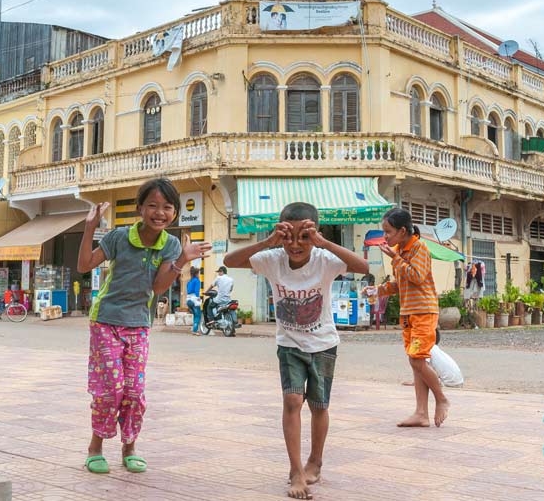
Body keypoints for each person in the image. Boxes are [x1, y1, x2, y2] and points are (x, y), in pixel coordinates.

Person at [223, 202, 368, 500]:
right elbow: (230, 259)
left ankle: (315, 460)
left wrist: (323, 242)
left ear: (315, 234)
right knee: (292, 400)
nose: (296, 244)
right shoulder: (272, 258)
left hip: (324, 344)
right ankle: (295, 470)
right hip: (289, 345)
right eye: (289, 236)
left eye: (304, 236)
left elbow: (362, 268)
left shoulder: (325, 259)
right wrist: (267, 241)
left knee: (319, 406)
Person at [77, 178, 211, 475]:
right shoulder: (118, 237)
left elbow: (159, 287)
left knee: (134, 391)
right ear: (140, 208)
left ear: (175, 212)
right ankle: (95, 447)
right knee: (111, 390)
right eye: (152, 205)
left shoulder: (171, 244)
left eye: (166, 207)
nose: (159, 212)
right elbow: (85, 265)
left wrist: (181, 262)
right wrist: (90, 227)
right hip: (106, 321)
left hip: (138, 323)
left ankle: (129, 447)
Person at [372, 207, 449, 429]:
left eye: (388, 231)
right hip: (408, 313)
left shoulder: (419, 248)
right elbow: (401, 283)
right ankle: (421, 413)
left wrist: (396, 258)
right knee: (416, 362)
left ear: (402, 230)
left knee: (417, 358)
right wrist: (378, 290)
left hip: (423, 311)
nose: (385, 236)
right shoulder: (401, 251)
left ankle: (441, 398)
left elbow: (416, 276)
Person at [186, 267, 202, 335]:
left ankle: (194, 329)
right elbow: (197, 290)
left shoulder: (189, 281)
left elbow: (188, 290)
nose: (199, 274)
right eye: (199, 273)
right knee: (198, 315)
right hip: (194, 299)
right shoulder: (197, 280)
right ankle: (195, 330)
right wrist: (198, 298)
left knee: (195, 315)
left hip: (188, 300)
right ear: (196, 274)